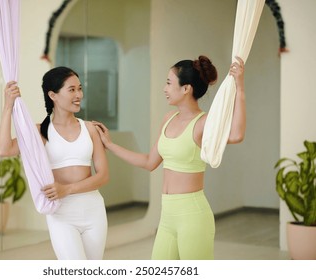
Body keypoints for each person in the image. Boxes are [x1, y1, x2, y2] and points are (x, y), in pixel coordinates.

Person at [93, 55, 245, 260]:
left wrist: (240, 88)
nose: (164, 88)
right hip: (167, 216)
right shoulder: (168, 118)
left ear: (186, 89)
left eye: (168, 83)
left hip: (193, 215)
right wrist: (110, 145)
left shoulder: (203, 122)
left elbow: (236, 135)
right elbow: (149, 162)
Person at [0, 66, 109, 260]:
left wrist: (67, 189)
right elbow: (4, 149)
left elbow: (103, 176)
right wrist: (8, 106)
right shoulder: (40, 132)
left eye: (80, 88)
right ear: (53, 95)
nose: (79, 95)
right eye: (71, 89)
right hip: (62, 216)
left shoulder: (90, 129)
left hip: (94, 212)